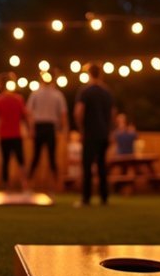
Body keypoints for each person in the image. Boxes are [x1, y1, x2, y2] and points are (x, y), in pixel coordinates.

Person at [74, 64, 115, 206]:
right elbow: (112, 114)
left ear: (89, 74)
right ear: (101, 74)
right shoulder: (107, 92)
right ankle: (104, 199)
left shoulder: (85, 91)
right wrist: (110, 131)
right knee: (102, 166)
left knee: (87, 167)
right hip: (104, 134)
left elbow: (79, 112)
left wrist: (81, 129)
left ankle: (86, 199)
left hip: (90, 134)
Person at [0, 73, 30, 191]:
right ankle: (25, 186)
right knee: (21, 161)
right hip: (16, 135)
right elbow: (26, 116)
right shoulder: (19, 99)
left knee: (5, 162)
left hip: (4, 135)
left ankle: (7, 187)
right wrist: (30, 129)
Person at [26, 73, 68, 188]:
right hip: (49, 127)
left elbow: (29, 112)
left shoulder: (36, 94)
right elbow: (63, 114)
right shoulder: (57, 94)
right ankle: (56, 185)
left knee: (37, 157)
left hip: (42, 126)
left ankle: (30, 184)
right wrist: (63, 129)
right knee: (51, 157)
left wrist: (31, 128)